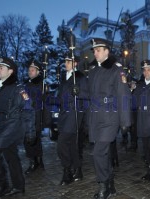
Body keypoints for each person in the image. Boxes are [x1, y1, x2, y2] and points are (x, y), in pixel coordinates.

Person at [0, 57, 35, 198]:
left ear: (10, 71)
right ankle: (18, 186)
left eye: (1, 67)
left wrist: (30, 132)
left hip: (11, 125)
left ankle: (2, 185)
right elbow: (2, 106)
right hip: (1, 123)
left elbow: (29, 108)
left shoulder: (19, 88)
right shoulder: (1, 86)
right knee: (11, 155)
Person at [88, 38, 131, 199]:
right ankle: (111, 186)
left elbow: (124, 96)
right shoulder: (93, 71)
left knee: (98, 153)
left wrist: (125, 122)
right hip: (95, 119)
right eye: (94, 50)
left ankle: (103, 186)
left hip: (110, 118)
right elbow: (89, 94)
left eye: (98, 50)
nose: (95, 53)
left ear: (107, 51)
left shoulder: (116, 70)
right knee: (103, 154)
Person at [56, 53, 88, 185]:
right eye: (65, 61)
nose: (66, 63)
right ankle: (78, 169)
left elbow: (88, 94)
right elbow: (60, 96)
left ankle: (67, 171)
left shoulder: (80, 77)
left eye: (69, 61)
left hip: (74, 113)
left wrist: (78, 92)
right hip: (64, 114)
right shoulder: (64, 78)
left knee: (62, 143)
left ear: (75, 63)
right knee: (72, 145)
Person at [23, 59, 44, 175]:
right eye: (29, 70)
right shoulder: (27, 84)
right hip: (27, 115)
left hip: (36, 115)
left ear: (38, 72)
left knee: (33, 139)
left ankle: (35, 162)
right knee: (31, 139)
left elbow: (43, 100)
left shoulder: (41, 84)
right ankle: (36, 161)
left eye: (32, 70)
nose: (29, 72)